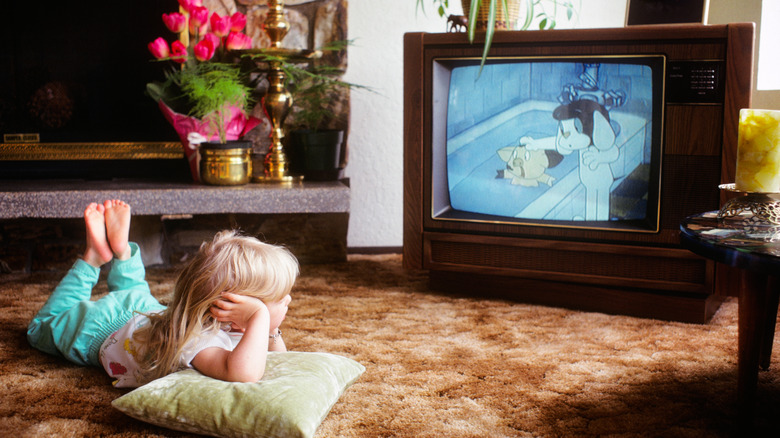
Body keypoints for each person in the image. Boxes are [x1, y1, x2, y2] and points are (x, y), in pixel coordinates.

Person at [27, 200, 298, 388]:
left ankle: (123, 253)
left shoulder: (227, 323)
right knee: (42, 327)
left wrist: (269, 329)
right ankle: (93, 258)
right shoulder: (198, 341)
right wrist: (260, 317)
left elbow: (279, 360)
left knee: (132, 289)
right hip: (101, 328)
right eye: (277, 297)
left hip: (145, 309)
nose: (288, 300)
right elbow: (243, 374)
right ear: (230, 306)